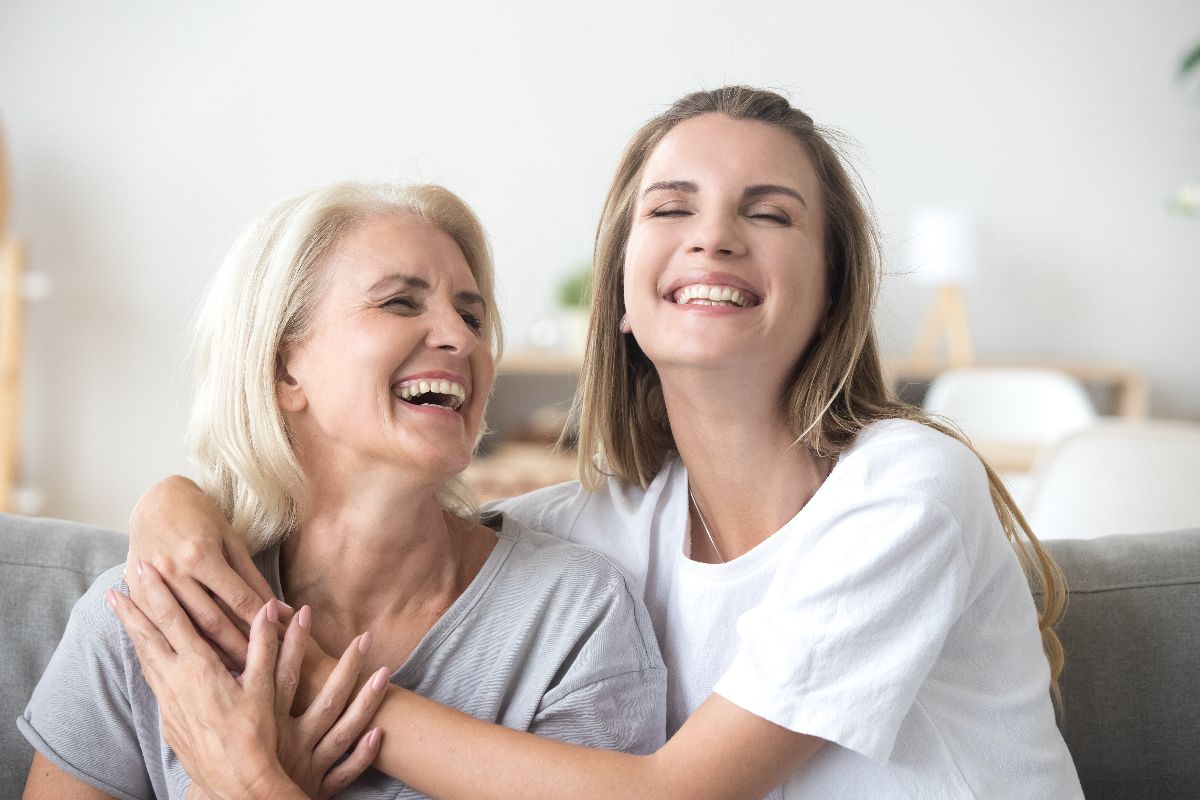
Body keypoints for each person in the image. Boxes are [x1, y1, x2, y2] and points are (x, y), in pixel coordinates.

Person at [113, 86, 1083, 798]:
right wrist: (174, 500)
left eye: (770, 212)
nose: (714, 236)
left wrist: (314, 687)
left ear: (834, 285)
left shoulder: (908, 488)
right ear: (620, 289)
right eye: (671, 207)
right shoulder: (610, 525)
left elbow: (671, 792)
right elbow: (417, 522)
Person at [18, 183, 667, 800]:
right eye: (400, 302)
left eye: (471, 314)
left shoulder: (574, 617)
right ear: (283, 369)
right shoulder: (148, 617)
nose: (461, 337)